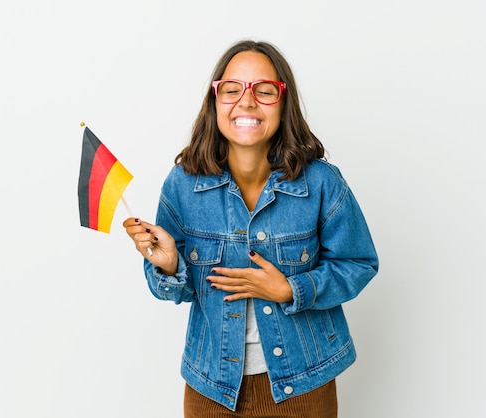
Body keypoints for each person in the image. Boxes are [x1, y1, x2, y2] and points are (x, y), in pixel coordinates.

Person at [123, 39, 379, 418]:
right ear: (215, 102)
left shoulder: (321, 183)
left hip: (305, 384)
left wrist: (291, 288)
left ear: (283, 101)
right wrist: (169, 265)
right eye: (231, 90)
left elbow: (359, 263)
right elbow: (175, 291)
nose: (246, 101)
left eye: (264, 90)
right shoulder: (182, 185)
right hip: (212, 387)